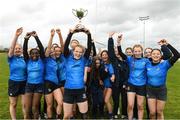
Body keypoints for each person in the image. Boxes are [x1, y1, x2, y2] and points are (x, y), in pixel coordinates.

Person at [63, 27, 92, 119]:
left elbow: (90, 47)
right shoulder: (67, 58)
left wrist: (88, 34)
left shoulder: (84, 59)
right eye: (76, 51)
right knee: (67, 115)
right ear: (73, 51)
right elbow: (65, 46)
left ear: (82, 53)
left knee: (84, 112)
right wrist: (70, 33)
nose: (78, 53)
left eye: (80, 52)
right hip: (68, 89)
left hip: (80, 90)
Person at [146, 39, 180, 119]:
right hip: (150, 90)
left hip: (161, 90)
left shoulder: (165, 64)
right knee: (152, 113)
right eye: (153, 54)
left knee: (159, 112)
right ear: (150, 55)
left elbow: (177, 55)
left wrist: (166, 45)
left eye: (158, 54)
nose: (155, 55)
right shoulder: (147, 63)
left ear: (161, 56)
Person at [118, 37, 148, 120]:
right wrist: (119, 43)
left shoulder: (146, 60)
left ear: (141, 51)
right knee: (130, 105)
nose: (137, 53)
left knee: (140, 106)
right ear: (133, 52)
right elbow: (120, 53)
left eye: (139, 51)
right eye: (135, 51)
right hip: (131, 84)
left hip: (141, 85)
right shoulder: (129, 59)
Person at [23, 31, 45, 119]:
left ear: (39, 54)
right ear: (30, 55)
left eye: (36, 53)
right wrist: (26, 39)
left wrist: (36, 37)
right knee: (27, 108)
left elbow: (41, 48)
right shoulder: (28, 60)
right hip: (29, 85)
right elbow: (24, 50)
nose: (35, 54)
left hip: (39, 86)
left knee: (35, 107)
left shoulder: (42, 60)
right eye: (33, 53)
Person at [108, 32, 129, 119]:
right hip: (115, 84)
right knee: (116, 101)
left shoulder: (126, 61)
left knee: (124, 101)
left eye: (117, 50)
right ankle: (115, 113)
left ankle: (124, 114)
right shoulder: (114, 60)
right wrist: (110, 38)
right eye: (115, 51)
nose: (116, 52)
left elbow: (128, 73)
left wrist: (125, 83)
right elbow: (110, 50)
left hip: (124, 84)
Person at [44, 29, 63, 119]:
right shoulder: (46, 59)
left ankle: (58, 117)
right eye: (50, 51)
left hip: (56, 84)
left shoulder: (55, 60)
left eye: (53, 51)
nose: (52, 52)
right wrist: (51, 36)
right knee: (50, 105)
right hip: (47, 83)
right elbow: (48, 49)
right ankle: (49, 117)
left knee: (60, 102)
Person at [8, 27, 26, 119]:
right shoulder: (11, 58)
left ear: (22, 50)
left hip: (24, 83)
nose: (17, 50)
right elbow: (11, 48)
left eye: (19, 48)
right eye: (16, 49)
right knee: (13, 104)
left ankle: (25, 118)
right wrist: (16, 35)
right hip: (14, 83)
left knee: (24, 105)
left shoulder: (24, 59)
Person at [100, 50, 115, 119]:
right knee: (103, 100)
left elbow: (112, 73)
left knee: (106, 100)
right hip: (102, 85)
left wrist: (112, 77)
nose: (104, 56)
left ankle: (110, 114)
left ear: (108, 56)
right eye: (103, 55)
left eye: (106, 54)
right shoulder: (100, 63)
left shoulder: (109, 64)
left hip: (109, 84)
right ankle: (104, 112)